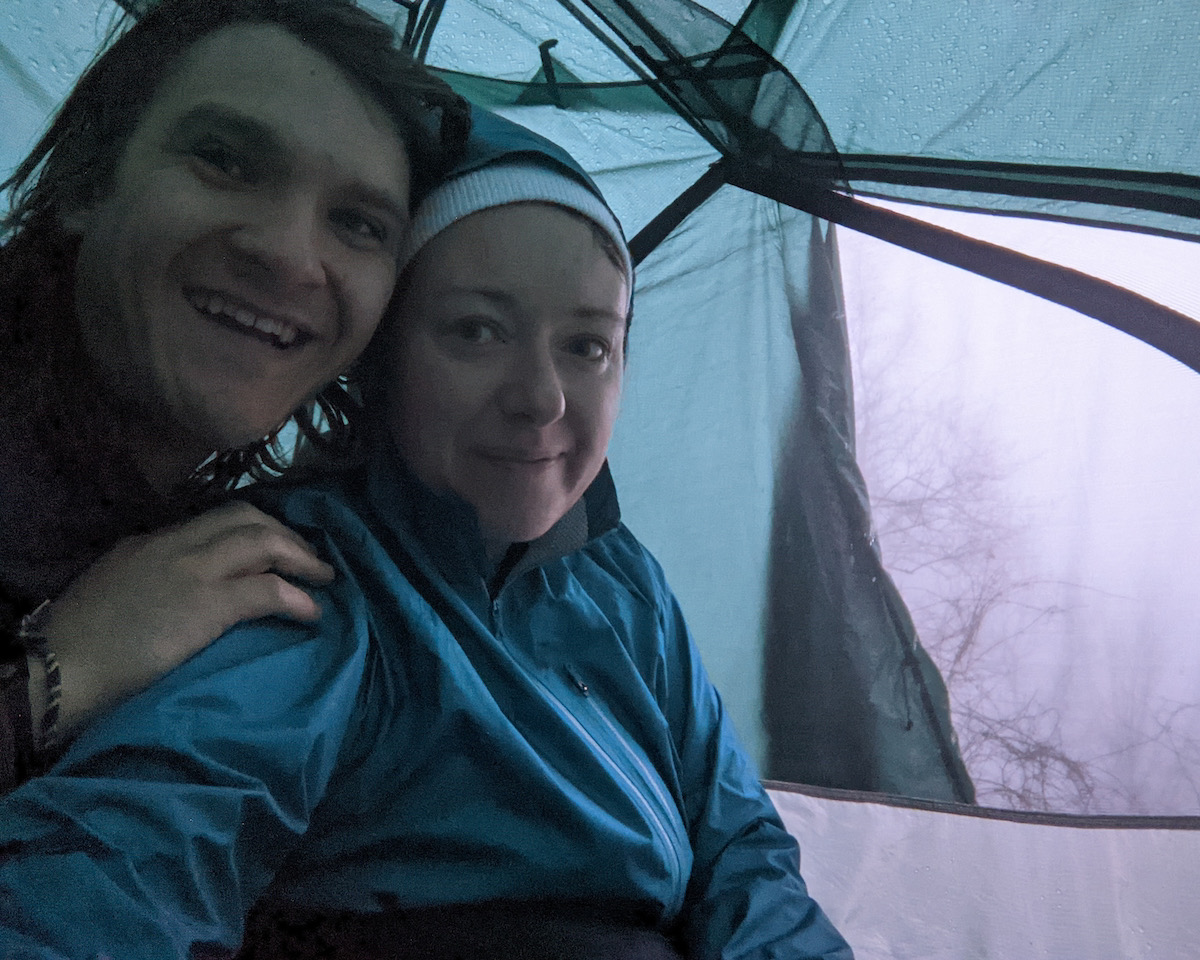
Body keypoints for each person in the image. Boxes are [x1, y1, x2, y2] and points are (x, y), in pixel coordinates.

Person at [0, 141, 855, 959]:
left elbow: (739, 840)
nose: (542, 398)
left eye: (588, 345)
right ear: (381, 365)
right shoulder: (313, 578)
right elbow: (124, 857)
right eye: (478, 331)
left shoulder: (624, 583)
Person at [0, 0, 469, 789]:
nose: (288, 256)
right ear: (87, 179)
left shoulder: (242, 545)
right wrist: (60, 674)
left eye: (356, 223)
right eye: (224, 159)